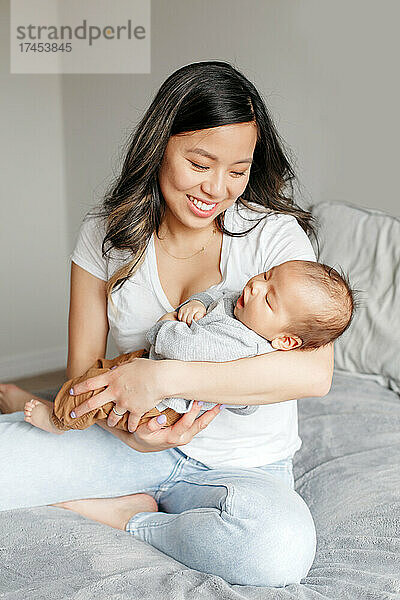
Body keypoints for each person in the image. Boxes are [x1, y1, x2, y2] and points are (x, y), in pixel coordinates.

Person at [0, 61, 335, 587]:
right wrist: (129, 432)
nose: (217, 189)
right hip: (127, 448)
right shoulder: (104, 236)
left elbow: (312, 375)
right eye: (200, 163)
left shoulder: (275, 240)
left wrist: (162, 379)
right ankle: (19, 402)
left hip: (242, 467)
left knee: (277, 553)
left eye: (238, 170)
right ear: (160, 145)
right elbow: (83, 375)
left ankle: (130, 517)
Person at [23, 260, 354, 436]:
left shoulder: (239, 343)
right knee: (97, 373)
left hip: (161, 404)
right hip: (146, 366)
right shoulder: (243, 310)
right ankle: (52, 403)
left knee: (93, 398)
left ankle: (57, 421)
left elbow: (176, 347)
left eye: (268, 298)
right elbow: (216, 296)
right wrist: (197, 303)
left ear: (286, 341)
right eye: (266, 275)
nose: (255, 286)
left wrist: (167, 322)